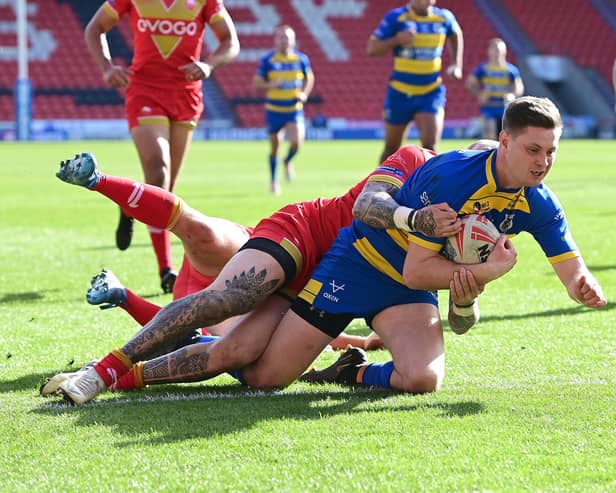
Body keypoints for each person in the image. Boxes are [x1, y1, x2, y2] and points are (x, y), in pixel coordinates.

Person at [40, 143, 465, 403]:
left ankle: (126, 371)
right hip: (307, 238)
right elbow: (367, 208)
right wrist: (417, 219)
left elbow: (456, 303)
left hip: (351, 280)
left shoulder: (478, 217)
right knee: (230, 298)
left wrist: (469, 289)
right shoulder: (417, 158)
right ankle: (103, 372)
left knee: (255, 370)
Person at [83, 0, 240, 292]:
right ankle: (166, 269)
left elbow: (231, 42)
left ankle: (131, 205)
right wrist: (106, 67)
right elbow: (95, 29)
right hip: (144, 90)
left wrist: (209, 63)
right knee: (159, 173)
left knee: (165, 193)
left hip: (186, 95)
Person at [367, 0, 463, 162]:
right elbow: (372, 48)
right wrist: (396, 40)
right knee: (391, 147)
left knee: (430, 148)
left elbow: (455, 34)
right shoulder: (396, 17)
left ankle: (426, 187)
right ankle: (378, 185)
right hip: (400, 92)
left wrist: (456, 64)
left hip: (430, 92)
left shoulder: (443, 17)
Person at [253, 25, 314, 194]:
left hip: (294, 109)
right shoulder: (268, 60)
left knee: (297, 143)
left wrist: (304, 94)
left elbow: (309, 78)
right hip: (274, 110)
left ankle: (287, 161)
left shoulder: (301, 59)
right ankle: (274, 182)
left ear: (293, 40)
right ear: (275, 40)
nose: (284, 41)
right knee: (275, 147)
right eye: (280, 37)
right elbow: (257, 84)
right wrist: (270, 85)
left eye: (287, 37)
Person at [466, 38, 524, 140]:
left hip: (504, 107)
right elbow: (470, 83)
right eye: (495, 50)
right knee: (490, 136)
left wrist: (513, 95)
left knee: (506, 137)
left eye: (500, 50)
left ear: (505, 52)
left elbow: (519, 87)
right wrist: (479, 94)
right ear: (489, 51)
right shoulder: (483, 68)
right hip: (489, 106)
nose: (498, 53)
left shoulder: (511, 70)